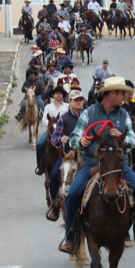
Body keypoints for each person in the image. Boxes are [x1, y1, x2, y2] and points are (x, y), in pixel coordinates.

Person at [60, 77, 135, 254]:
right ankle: (71, 236)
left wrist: (121, 136)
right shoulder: (89, 113)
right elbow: (73, 139)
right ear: (113, 93)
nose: (125, 96)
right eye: (122, 93)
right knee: (72, 194)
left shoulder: (123, 115)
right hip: (92, 163)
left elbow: (131, 140)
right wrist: (81, 141)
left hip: (119, 166)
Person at [46, 90, 86, 223]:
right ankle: (55, 205)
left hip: (86, 155)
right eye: (76, 100)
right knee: (53, 175)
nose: (79, 102)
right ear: (70, 102)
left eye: (81, 99)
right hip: (68, 156)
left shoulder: (87, 116)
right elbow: (54, 138)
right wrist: (61, 139)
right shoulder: (63, 118)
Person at [35, 86, 70, 175]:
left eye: (61, 94)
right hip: (51, 131)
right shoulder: (48, 107)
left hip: (63, 131)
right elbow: (44, 120)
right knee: (39, 144)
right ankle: (40, 165)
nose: (59, 95)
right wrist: (52, 125)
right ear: (53, 95)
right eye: (57, 93)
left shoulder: (67, 106)